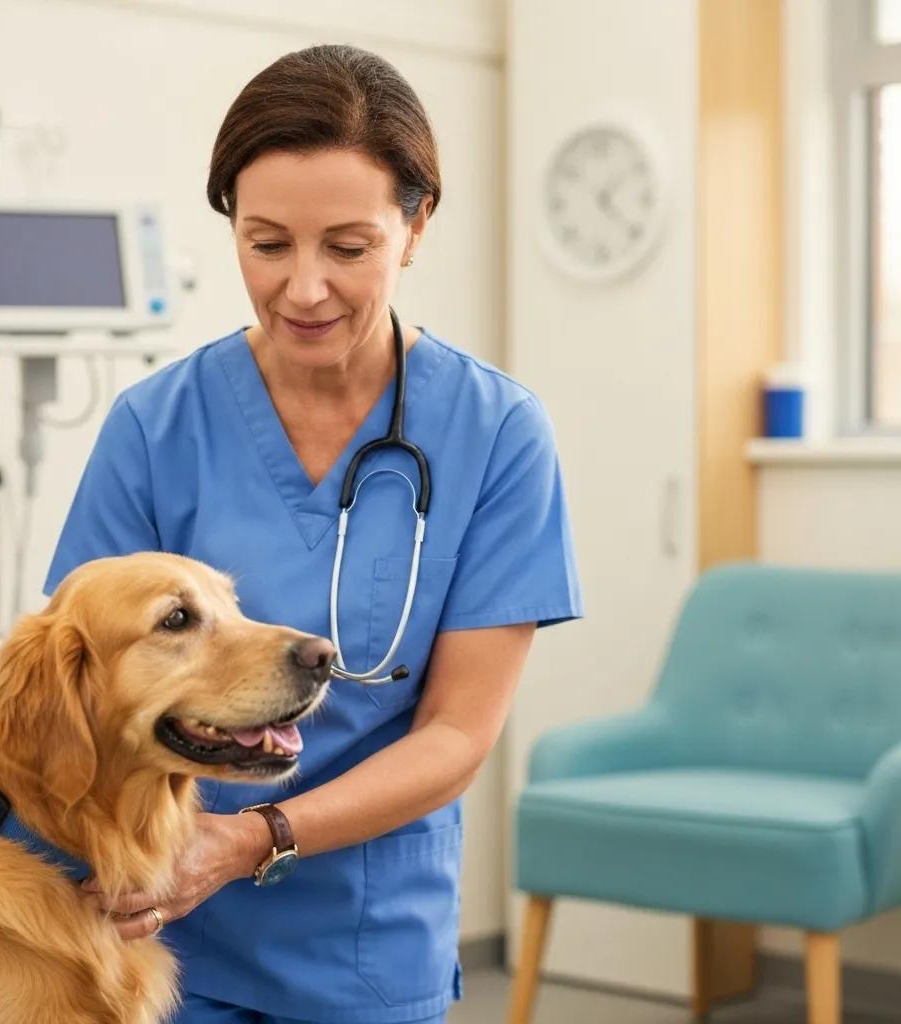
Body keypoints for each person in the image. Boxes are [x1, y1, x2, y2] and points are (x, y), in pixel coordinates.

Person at [44, 43, 582, 1024]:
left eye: (346, 246)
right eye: (266, 243)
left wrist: (252, 837)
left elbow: (459, 732)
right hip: (153, 943)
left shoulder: (496, 433)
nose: (302, 289)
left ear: (414, 226)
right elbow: (76, 686)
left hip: (365, 950)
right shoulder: (155, 426)